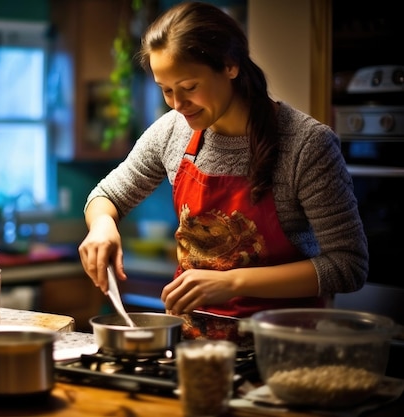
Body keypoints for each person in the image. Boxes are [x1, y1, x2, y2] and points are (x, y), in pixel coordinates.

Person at [78, 1, 368, 319]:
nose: (177, 104)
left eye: (189, 87)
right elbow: (106, 196)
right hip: (195, 350)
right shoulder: (171, 133)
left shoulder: (306, 145)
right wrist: (102, 226)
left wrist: (231, 282)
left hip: (280, 346)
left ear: (230, 65)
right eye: (166, 90)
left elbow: (348, 265)